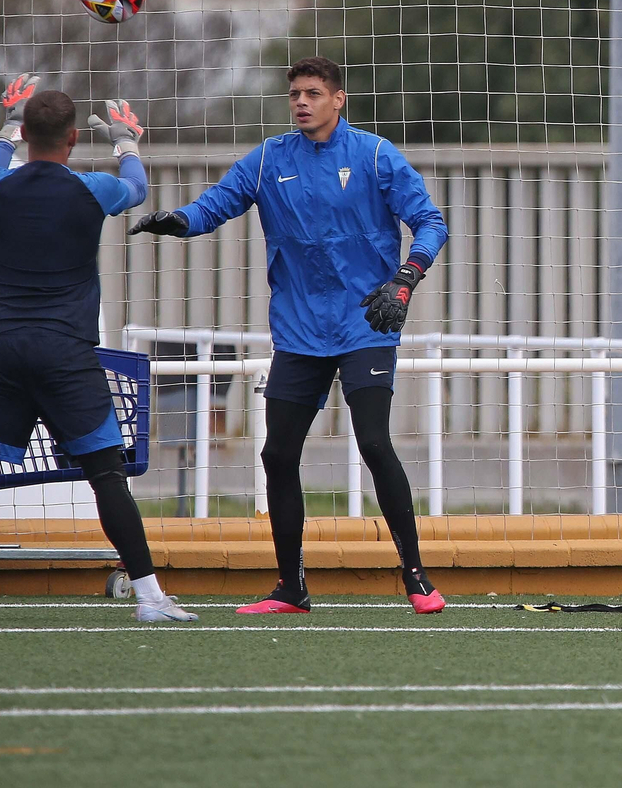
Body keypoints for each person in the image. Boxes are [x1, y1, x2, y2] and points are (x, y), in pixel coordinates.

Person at [129, 57, 448, 614]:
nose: (302, 102)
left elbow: (431, 222)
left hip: (365, 323)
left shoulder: (374, 155)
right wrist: (176, 222)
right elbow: (216, 205)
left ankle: (417, 578)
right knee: (277, 454)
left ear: (338, 99)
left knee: (374, 443)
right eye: (295, 93)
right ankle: (291, 588)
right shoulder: (269, 159)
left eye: (314, 93)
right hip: (299, 332)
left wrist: (406, 277)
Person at [0, 78, 195, 624]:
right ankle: (151, 599)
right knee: (107, 474)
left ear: (28, 133)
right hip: (66, 354)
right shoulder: (91, 190)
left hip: (6, 352)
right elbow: (137, 187)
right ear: (75, 138)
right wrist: (127, 139)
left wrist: (9, 122)